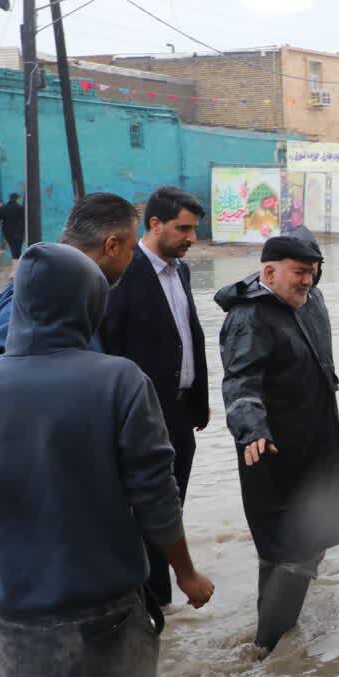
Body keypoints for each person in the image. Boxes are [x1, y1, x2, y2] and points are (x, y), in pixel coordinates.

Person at [0, 243, 215, 677]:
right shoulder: (121, 381)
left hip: (15, 631)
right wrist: (185, 574)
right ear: (90, 306)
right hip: (108, 623)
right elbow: (156, 497)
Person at [216, 233, 339, 654]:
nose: (307, 282)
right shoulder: (250, 317)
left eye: (313, 273)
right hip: (271, 450)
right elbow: (240, 380)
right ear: (269, 271)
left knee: (308, 542)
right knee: (290, 548)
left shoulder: (308, 298)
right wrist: (252, 429)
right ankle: (267, 647)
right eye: (299, 273)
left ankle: (278, 630)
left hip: (317, 442)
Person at [101, 186, 210, 608]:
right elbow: (110, 343)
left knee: (172, 509)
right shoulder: (124, 272)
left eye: (194, 229)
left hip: (181, 413)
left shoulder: (180, 271)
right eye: (183, 229)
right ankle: (154, 603)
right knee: (146, 513)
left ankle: (160, 605)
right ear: (155, 225)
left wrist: (199, 401)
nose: (191, 238)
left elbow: (189, 336)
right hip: (140, 415)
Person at [0, 192, 139, 409]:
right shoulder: (37, 290)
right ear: (112, 246)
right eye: (132, 249)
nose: (132, 259)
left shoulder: (85, 294)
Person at [0, 192, 26, 260]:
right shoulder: (21, 209)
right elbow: (25, 221)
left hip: (7, 233)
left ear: (9, 199)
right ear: (17, 199)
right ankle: (17, 264)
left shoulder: (2, 208)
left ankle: (16, 264)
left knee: (13, 249)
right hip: (19, 232)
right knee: (18, 250)